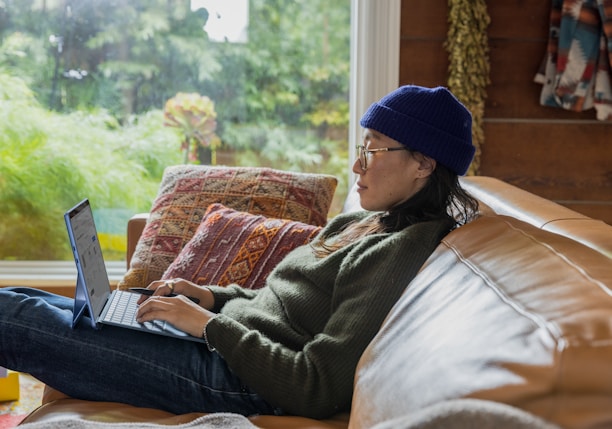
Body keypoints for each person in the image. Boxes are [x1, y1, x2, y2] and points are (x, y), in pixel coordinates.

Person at [0, 85, 479, 420]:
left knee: (13, 315)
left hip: (239, 382)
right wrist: (209, 297)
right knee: (29, 299)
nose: (357, 163)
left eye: (374, 150)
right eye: (362, 145)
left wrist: (207, 325)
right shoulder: (363, 221)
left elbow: (315, 386)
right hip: (222, 347)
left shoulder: (402, 250)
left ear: (422, 164)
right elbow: (280, 304)